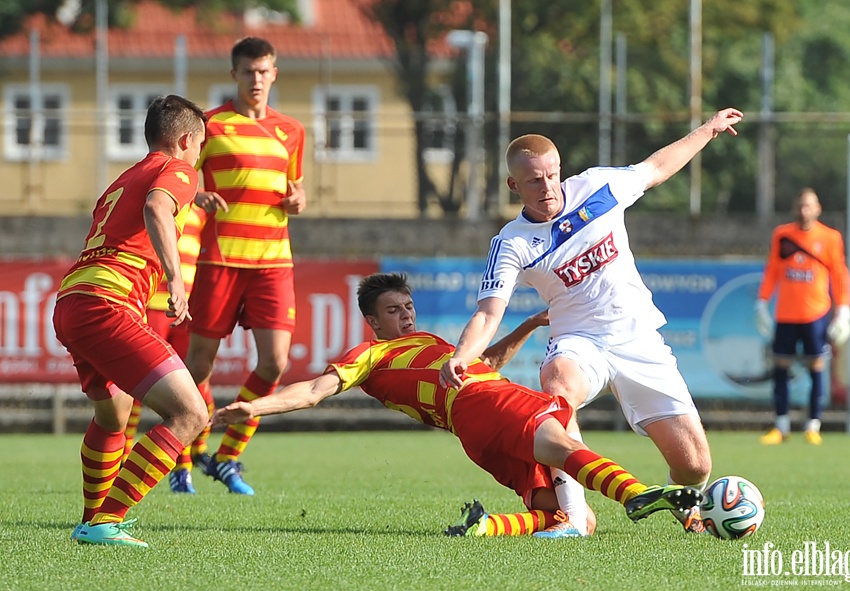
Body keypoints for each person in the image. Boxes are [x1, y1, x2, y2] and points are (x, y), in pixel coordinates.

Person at [439, 108, 745, 534]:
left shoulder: (599, 187)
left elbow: (655, 168)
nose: (546, 187)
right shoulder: (511, 243)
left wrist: (708, 130)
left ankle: (689, 506)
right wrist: (461, 355)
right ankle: (574, 517)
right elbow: (490, 312)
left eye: (551, 175)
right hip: (580, 341)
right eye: (533, 180)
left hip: (638, 340)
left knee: (694, 466)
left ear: (560, 169)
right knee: (557, 383)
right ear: (514, 185)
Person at [212, 273, 703, 538]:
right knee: (559, 420)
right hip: (480, 402)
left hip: (474, 425)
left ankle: (490, 528)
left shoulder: (429, 342)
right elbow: (316, 390)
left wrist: (528, 326)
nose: (405, 316)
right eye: (393, 311)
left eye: (407, 307)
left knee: (567, 514)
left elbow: (485, 358)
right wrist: (256, 408)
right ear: (372, 321)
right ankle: (637, 494)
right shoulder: (371, 355)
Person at [52, 94, 210, 547]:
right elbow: (158, 209)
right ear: (184, 140)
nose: (198, 156)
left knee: (113, 412)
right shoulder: (178, 170)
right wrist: (176, 281)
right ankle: (105, 521)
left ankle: (94, 521)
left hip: (73, 301)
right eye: (199, 146)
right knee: (190, 413)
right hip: (107, 303)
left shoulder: (123, 179)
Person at [186, 36, 307, 496]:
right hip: (219, 259)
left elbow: (296, 190)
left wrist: (298, 199)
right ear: (234, 74)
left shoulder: (291, 130)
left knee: (274, 362)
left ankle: (227, 455)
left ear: (274, 73)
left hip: (273, 260)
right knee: (198, 364)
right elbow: (177, 176)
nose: (256, 79)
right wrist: (196, 195)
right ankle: (180, 455)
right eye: (248, 72)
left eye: (264, 71)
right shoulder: (210, 125)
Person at [122, 202, 216, 494]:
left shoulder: (202, 210)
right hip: (152, 304)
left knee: (198, 386)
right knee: (135, 389)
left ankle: (193, 456)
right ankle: (123, 461)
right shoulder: (155, 202)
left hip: (189, 309)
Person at [755, 188, 850, 446]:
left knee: (816, 368)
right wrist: (762, 302)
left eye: (809, 206)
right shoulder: (782, 235)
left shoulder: (830, 237)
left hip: (816, 314)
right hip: (786, 314)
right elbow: (773, 270)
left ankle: (813, 426)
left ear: (818, 209)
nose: (804, 210)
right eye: (800, 205)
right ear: (795, 208)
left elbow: (839, 274)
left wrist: (843, 309)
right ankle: (781, 426)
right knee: (780, 368)